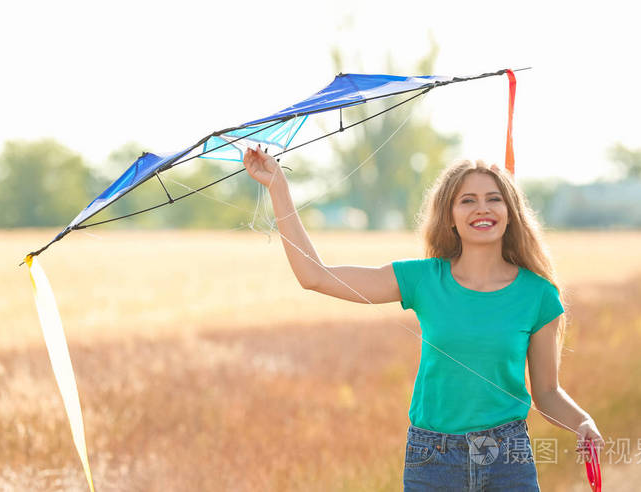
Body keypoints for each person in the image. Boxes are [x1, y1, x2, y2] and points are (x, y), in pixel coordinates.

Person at [243, 145, 604, 491]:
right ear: (450, 216)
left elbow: (546, 392)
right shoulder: (423, 279)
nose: (483, 209)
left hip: (508, 459)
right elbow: (315, 276)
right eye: (468, 200)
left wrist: (582, 422)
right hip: (434, 461)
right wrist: (278, 188)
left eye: (494, 199)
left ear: (510, 212)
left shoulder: (538, 295)